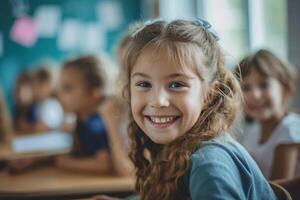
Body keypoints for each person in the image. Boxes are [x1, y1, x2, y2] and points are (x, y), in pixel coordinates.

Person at [94, 19, 276, 200]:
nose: (158, 101)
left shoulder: (209, 164)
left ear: (209, 94)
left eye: (176, 84)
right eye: (144, 84)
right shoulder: (179, 148)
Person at [236, 49, 300, 179]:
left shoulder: (291, 129)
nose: (255, 95)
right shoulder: (252, 131)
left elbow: (280, 191)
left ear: (285, 88)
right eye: (246, 88)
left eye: (264, 85)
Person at [56, 55, 112, 174]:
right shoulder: (82, 119)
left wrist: (66, 162)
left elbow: (103, 164)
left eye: (67, 88)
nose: (60, 95)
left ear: (94, 93)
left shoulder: (96, 124)